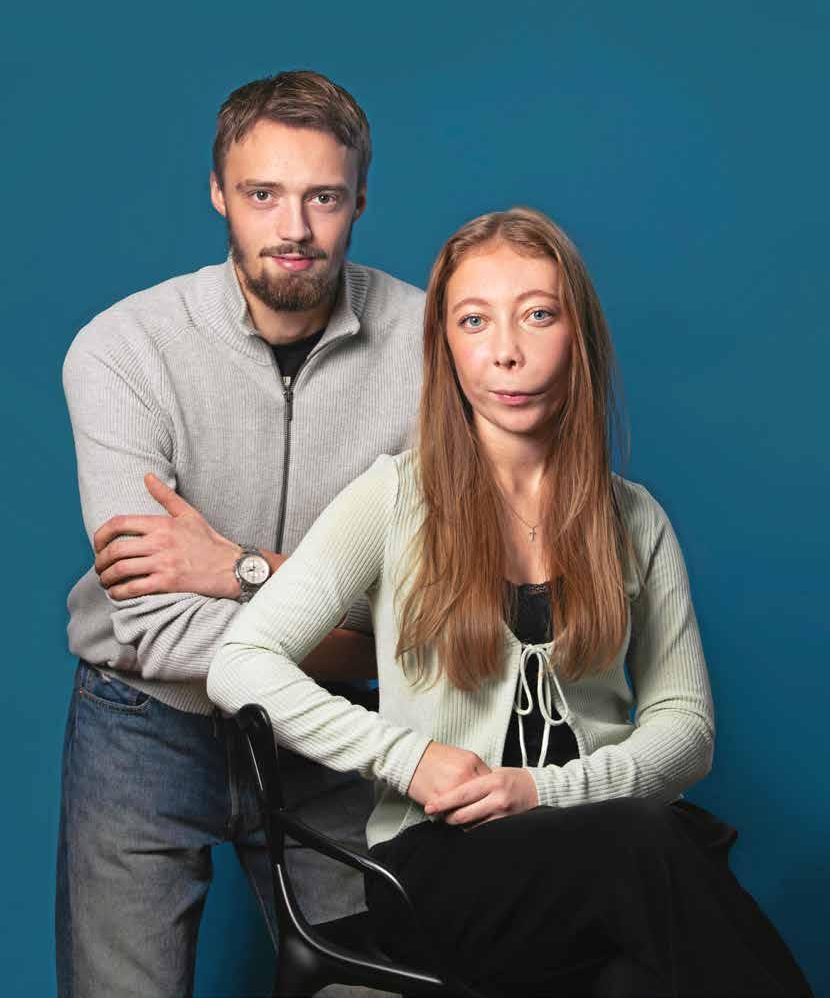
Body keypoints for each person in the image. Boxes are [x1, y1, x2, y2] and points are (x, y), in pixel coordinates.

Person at [206, 207, 812, 997]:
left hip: (605, 853)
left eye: (537, 314)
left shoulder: (635, 519)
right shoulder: (393, 498)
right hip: (437, 872)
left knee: (638, 971)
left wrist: (542, 790)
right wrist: (408, 757)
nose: (506, 351)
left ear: (578, 335)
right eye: (474, 320)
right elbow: (239, 662)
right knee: (646, 848)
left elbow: (687, 730)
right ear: (446, 346)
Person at [57, 70, 423, 998]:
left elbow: (434, 616)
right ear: (219, 192)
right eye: (263, 194)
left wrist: (239, 568)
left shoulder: (431, 347)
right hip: (146, 720)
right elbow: (151, 623)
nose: (293, 228)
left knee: (379, 986)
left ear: (360, 200)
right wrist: (357, 627)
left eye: (322, 197)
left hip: (334, 724)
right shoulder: (123, 349)